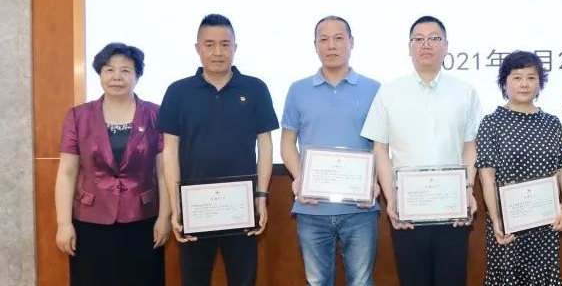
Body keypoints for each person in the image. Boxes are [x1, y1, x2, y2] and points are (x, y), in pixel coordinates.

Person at [360, 15, 483, 286]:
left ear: (446, 45)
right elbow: (380, 149)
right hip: (408, 210)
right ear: (409, 47)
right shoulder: (389, 92)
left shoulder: (465, 92)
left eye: (434, 38)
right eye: (419, 39)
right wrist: (392, 199)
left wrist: (467, 189)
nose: (426, 44)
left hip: (452, 208)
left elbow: (471, 146)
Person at [158, 14, 279, 286]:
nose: (218, 52)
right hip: (195, 207)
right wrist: (176, 207)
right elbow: (170, 151)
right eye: (210, 44)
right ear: (197, 48)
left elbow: (265, 145)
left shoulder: (256, 88)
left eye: (225, 44)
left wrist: (261, 197)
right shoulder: (177, 92)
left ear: (235, 47)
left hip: (241, 206)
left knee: (244, 279)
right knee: (194, 279)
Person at [55, 42, 169, 286]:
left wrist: (164, 217)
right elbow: (66, 173)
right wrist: (63, 223)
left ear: (137, 76)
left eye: (125, 70)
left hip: (142, 219)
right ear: (100, 73)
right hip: (90, 220)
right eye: (109, 69)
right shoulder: (78, 116)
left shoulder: (155, 114)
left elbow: (163, 172)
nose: (117, 76)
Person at [281, 16, 381, 286]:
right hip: (311, 209)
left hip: (360, 209)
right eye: (323, 39)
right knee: (317, 282)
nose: (331, 45)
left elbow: (382, 145)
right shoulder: (298, 90)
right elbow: (287, 142)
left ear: (351, 42)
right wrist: (300, 178)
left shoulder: (374, 89)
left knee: (362, 282)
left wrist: (374, 182)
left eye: (338, 38)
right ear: (315, 45)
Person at [476, 51, 562, 286]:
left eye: (531, 77)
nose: (524, 84)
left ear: (540, 83)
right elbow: (487, 177)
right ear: (504, 83)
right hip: (509, 224)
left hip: (545, 224)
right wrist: (496, 219)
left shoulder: (551, 122)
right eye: (517, 77)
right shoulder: (491, 123)